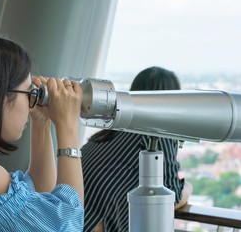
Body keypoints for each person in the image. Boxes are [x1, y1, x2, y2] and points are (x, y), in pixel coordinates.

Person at [0, 34, 84, 231]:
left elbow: (36, 199)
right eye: (29, 94)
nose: (31, 105)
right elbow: (67, 227)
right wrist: (68, 127)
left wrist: (41, 123)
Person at [81, 66, 193, 232]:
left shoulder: (112, 129)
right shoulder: (156, 134)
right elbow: (170, 198)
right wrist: (189, 188)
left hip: (70, 222)